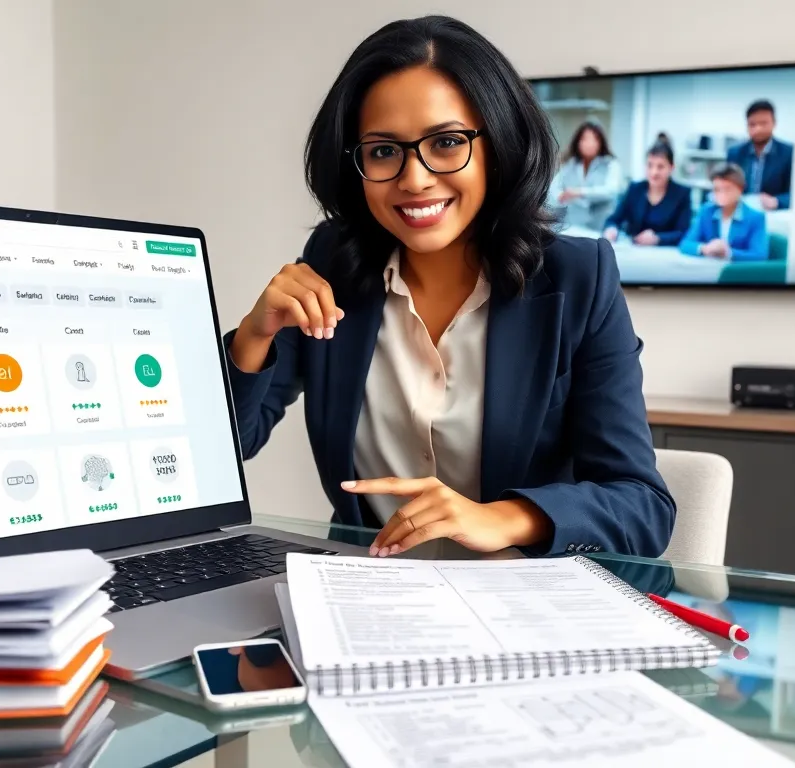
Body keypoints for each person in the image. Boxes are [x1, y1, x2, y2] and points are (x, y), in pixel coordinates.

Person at [225, 16, 674, 558]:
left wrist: (503, 518)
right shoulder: (333, 263)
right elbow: (230, 447)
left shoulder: (578, 278)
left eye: (445, 142)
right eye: (383, 150)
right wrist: (254, 335)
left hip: (519, 597)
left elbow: (642, 507)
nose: (414, 179)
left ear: (498, 145)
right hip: (367, 592)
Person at [602, 143, 693, 247]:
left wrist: (658, 238)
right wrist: (611, 229)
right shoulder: (635, 189)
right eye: (650, 165)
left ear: (671, 168)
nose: (654, 172)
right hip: (634, 249)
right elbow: (613, 219)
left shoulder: (682, 194)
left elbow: (683, 233)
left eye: (660, 167)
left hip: (666, 252)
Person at [679, 163, 768, 261]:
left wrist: (728, 253)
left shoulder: (755, 218)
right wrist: (705, 248)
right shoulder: (706, 211)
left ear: (741, 189)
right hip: (708, 267)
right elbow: (686, 244)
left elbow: (759, 255)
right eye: (717, 189)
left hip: (736, 269)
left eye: (727, 189)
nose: (722, 194)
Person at [546, 121, 625, 231]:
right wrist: (562, 197)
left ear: (601, 142)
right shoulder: (570, 165)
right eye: (585, 139)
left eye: (594, 139)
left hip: (601, 226)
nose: (589, 144)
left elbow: (611, 191)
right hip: (573, 225)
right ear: (578, 142)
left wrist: (580, 192)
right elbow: (554, 189)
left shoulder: (611, 164)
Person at [725, 100, 793, 210]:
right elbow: (726, 186)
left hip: (773, 213)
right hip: (741, 212)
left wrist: (776, 201)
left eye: (763, 123)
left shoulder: (788, 153)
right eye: (752, 124)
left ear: (774, 123)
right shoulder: (735, 153)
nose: (758, 129)